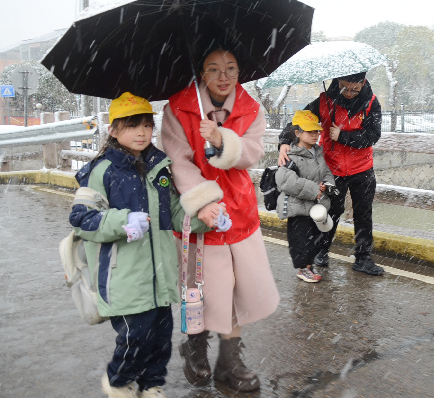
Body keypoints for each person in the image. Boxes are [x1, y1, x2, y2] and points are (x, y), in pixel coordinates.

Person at [69, 92, 209, 398]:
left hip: (159, 274)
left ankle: (151, 385)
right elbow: (82, 218)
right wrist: (123, 221)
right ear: (114, 130)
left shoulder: (159, 168)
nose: (142, 132)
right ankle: (119, 382)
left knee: (160, 338)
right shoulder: (101, 171)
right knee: (136, 336)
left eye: (147, 124)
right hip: (124, 276)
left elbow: (173, 214)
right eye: (133, 125)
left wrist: (203, 218)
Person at [161, 49, 280, 392]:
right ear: (201, 73)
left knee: (235, 289)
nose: (223, 76)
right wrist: (204, 202)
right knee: (200, 290)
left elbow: (253, 152)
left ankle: (230, 360)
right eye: (213, 69)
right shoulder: (177, 108)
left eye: (230, 68)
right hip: (199, 215)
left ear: (240, 71)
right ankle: (195, 348)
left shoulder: (250, 108)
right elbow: (178, 160)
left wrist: (220, 139)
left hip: (239, 213)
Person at [277, 71, 384, 276]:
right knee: (331, 210)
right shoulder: (324, 101)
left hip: (362, 169)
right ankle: (322, 251)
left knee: (364, 213)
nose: (350, 93)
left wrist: (342, 135)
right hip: (333, 169)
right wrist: (284, 141)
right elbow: (298, 123)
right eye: (345, 88)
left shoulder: (371, 103)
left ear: (363, 83)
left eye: (355, 89)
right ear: (337, 81)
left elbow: (372, 135)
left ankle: (363, 257)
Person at [275, 110, 337, 283]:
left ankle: (309, 265)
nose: (315, 135)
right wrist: (313, 189)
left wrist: (328, 185)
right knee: (301, 239)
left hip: (314, 206)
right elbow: (285, 180)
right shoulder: (290, 155)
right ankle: (304, 268)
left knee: (316, 238)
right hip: (297, 206)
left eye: (316, 131)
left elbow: (326, 173)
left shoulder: (318, 153)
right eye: (310, 131)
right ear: (297, 133)